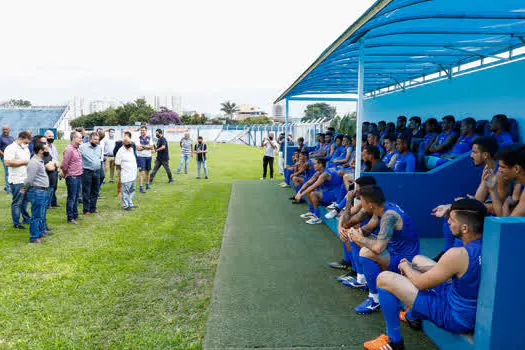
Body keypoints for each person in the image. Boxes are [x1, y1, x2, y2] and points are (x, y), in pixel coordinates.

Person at [363, 198, 486, 350]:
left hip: (454, 316)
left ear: (465, 228)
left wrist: (406, 267)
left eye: (452, 220)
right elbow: (451, 271)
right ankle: (412, 316)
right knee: (418, 260)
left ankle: (393, 342)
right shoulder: (485, 242)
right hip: (461, 299)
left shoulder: (458, 254)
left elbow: (421, 283)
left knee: (384, 278)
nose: (448, 222)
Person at [344, 185, 420, 315]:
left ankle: (375, 299)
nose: (361, 204)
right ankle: (363, 280)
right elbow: (366, 230)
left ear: (371, 204)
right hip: (392, 250)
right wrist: (353, 233)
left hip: (405, 259)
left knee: (365, 251)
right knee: (357, 238)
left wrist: (359, 238)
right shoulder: (380, 209)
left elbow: (378, 248)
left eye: (362, 201)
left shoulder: (389, 216)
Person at [295, 158, 342, 225]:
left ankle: (317, 217)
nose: (314, 165)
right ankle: (312, 212)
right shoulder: (318, 173)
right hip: (327, 192)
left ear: (320, 165)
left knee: (313, 193)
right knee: (309, 191)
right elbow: (308, 183)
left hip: (334, 195)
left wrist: (301, 195)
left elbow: (313, 186)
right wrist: (299, 191)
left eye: (315, 164)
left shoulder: (324, 174)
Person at [484, 144, 525, 217]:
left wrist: (506, 204)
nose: (499, 170)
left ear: (516, 169)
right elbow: (503, 219)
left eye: (502, 167)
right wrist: (492, 190)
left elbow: (509, 223)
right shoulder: (519, 185)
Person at [23, 141, 50, 244]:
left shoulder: (39, 161)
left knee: (41, 213)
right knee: (36, 215)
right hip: (37, 191)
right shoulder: (34, 162)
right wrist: (25, 188)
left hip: (42, 191)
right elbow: (29, 179)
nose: (47, 151)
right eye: (46, 149)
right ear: (40, 151)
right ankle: (34, 237)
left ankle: (39, 232)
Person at [4, 131, 31, 229]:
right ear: (22, 138)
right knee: (17, 202)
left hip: (25, 178)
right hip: (16, 179)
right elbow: (7, 162)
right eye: (26, 141)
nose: (27, 143)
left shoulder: (25, 148)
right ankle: (16, 223)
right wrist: (24, 162)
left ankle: (26, 218)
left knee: (25, 201)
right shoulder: (11, 148)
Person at [61, 131, 83, 224]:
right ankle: (70, 217)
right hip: (72, 176)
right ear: (74, 138)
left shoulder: (76, 149)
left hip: (78, 175)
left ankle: (75, 214)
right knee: (72, 197)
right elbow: (64, 165)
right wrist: (66, 174)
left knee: (76, 196)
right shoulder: (69, 149)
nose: (81, 139)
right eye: (79, 138)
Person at [79, 132, 101, 215]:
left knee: (95, 191)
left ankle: (93, 208)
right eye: (95, 139)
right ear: (90, 139)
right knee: (86, 191)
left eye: (98, 140)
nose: (96, 141)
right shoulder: (82, 147)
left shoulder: (99, 147)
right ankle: (86, 209)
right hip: (87, 171)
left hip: (97, 171)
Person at [115, 136, 138, 211]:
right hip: (126, 175)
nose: (129, 143)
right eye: (128, 142)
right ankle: (125, 205)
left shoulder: (131, 149)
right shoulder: (120, 151)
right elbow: (117, 164)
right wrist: (121, 171)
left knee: (132, 189)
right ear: (123, 143)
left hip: (133, 174)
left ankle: (130, 203)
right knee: (125, 191)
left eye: (130, 142)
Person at [44, 130, 60, 208]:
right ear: (45, 137)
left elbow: (56, 158)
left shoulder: (54, 147)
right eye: (49, 136)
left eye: (53, 136)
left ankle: (54, 202)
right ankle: (48, 204)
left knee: (54, 186)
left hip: (55, 169)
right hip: (48, 169)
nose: (51, 138)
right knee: (49, 187)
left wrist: (58, 167)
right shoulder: (44, 147)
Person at [136, 126, 154, 193]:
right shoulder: (138, 138)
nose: (142, 131)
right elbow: (138, 148)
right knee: (142, 172)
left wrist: (142, 146)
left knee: (147, 172)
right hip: (141, 157)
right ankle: (141, 188)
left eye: (143, 130)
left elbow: (151, 147)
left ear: (146, 131)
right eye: (141, 130)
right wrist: (147, 147)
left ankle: (147, 186)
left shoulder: (149, 138)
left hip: (148, 156)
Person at [0, 126, 14, 194]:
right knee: (7, 173)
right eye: (3, 129)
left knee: (12, 172)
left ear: (9, 130)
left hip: (12, 158)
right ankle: (9, 190)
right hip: (5, 158)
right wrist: (4, 155)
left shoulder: (11, 138)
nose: (5, 130)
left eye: (6, 129)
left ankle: (6, 187)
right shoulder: (1, 138)